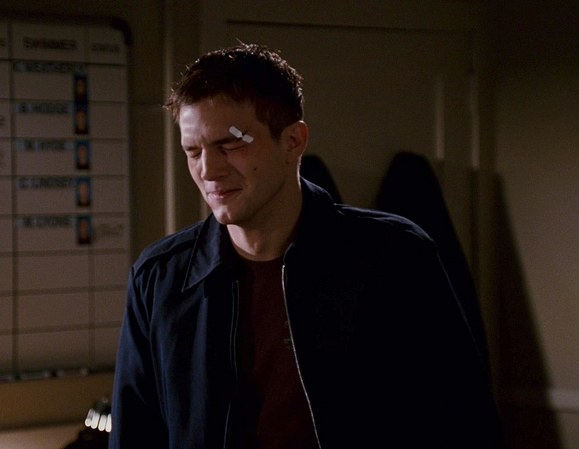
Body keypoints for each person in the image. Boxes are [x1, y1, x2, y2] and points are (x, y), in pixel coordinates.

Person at [110, 44, 501, 449]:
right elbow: (136, 434)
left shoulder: (396, 256)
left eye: (230, 145)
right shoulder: (160, 279)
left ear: (293, 141)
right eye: (193, 151)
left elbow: (464, 421)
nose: (208, 170)